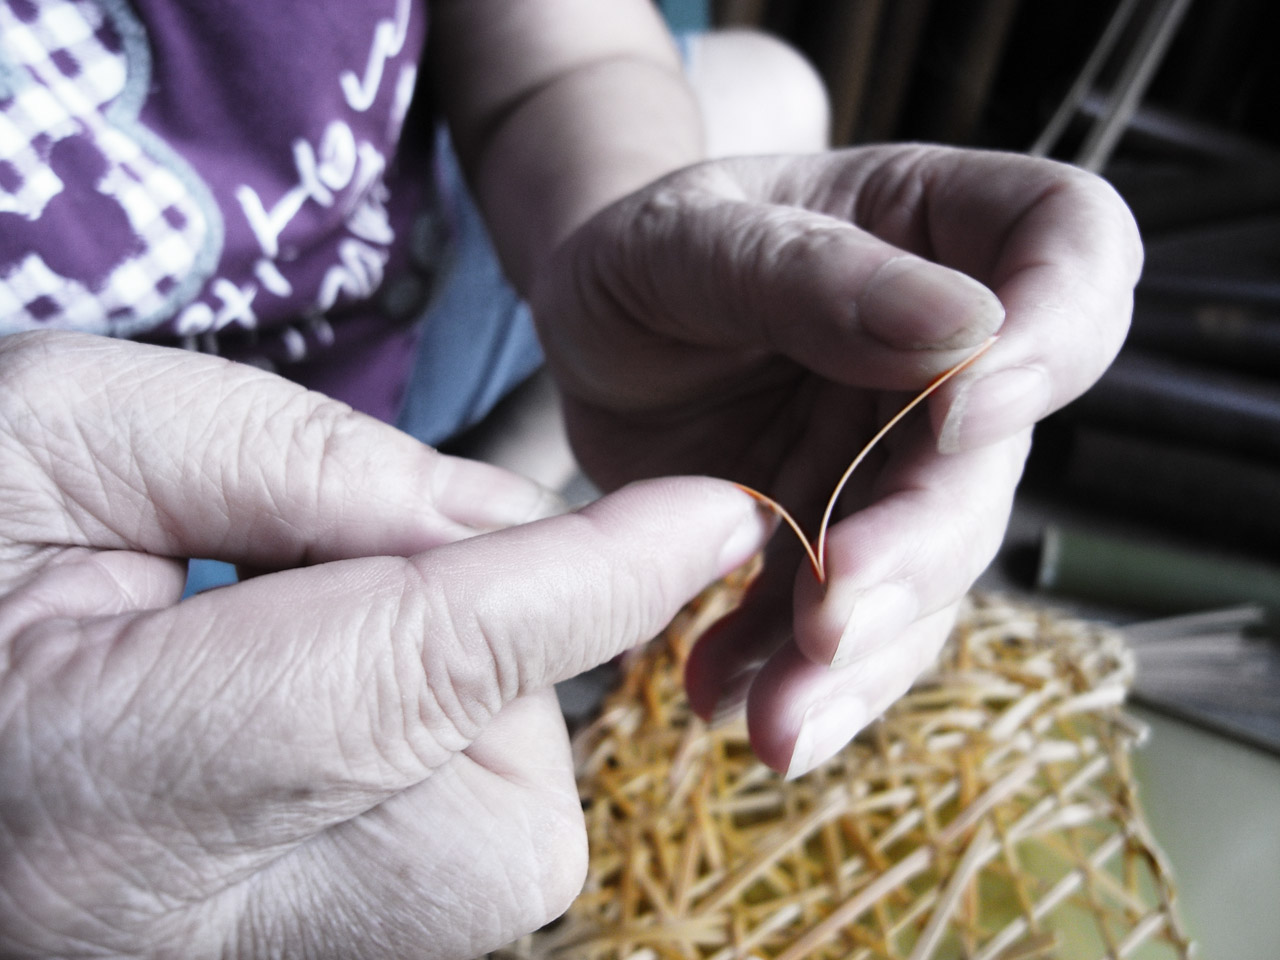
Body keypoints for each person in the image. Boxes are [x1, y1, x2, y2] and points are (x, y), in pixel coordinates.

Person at [0, 1, 1142, 957]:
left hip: (367, 308)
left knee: (770, 94)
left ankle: (498, 491)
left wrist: (630, 237)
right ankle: (464, 528)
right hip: (69, 551)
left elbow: (565, 51)